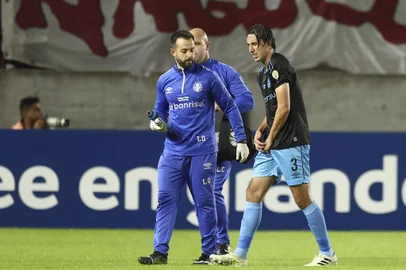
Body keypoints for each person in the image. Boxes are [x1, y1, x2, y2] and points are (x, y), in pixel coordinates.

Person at [209, 24, 338, 266]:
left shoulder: (279, 64)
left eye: (254, 44)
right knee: (253, 192)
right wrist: (261, 129)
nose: (251, 49)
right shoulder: (262, 72)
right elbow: (273, 108)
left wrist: (269, 138)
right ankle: (241, 255)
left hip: (291, 141)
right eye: (248, 45)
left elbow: (286, 107)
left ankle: (328, 254)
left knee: (302, 199)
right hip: (274, 142)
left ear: (268, 42)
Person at [138, 30, 250, 265]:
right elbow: (160, 110)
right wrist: (156, 123)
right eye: (185, 51)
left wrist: (241, 139)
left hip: (202, 152)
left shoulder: (209, 77)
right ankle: (160, 252)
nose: (190, 54)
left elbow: (231, 107)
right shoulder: (164, 81)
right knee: (165, 200)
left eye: (192, 49)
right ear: (173, 52)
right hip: (172, 151)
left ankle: (208, 252)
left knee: (204, 202)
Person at [189, 28, 255, 256]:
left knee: (213, 189)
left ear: (207, 46)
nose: (192, 49)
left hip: (217, 141)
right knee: (197, 193)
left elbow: (247, 100)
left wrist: (219, 104)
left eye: (197, 43)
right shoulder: (181, 75)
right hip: (189, 143)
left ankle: (221, 242)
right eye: (188, 45)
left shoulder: (225, 73)